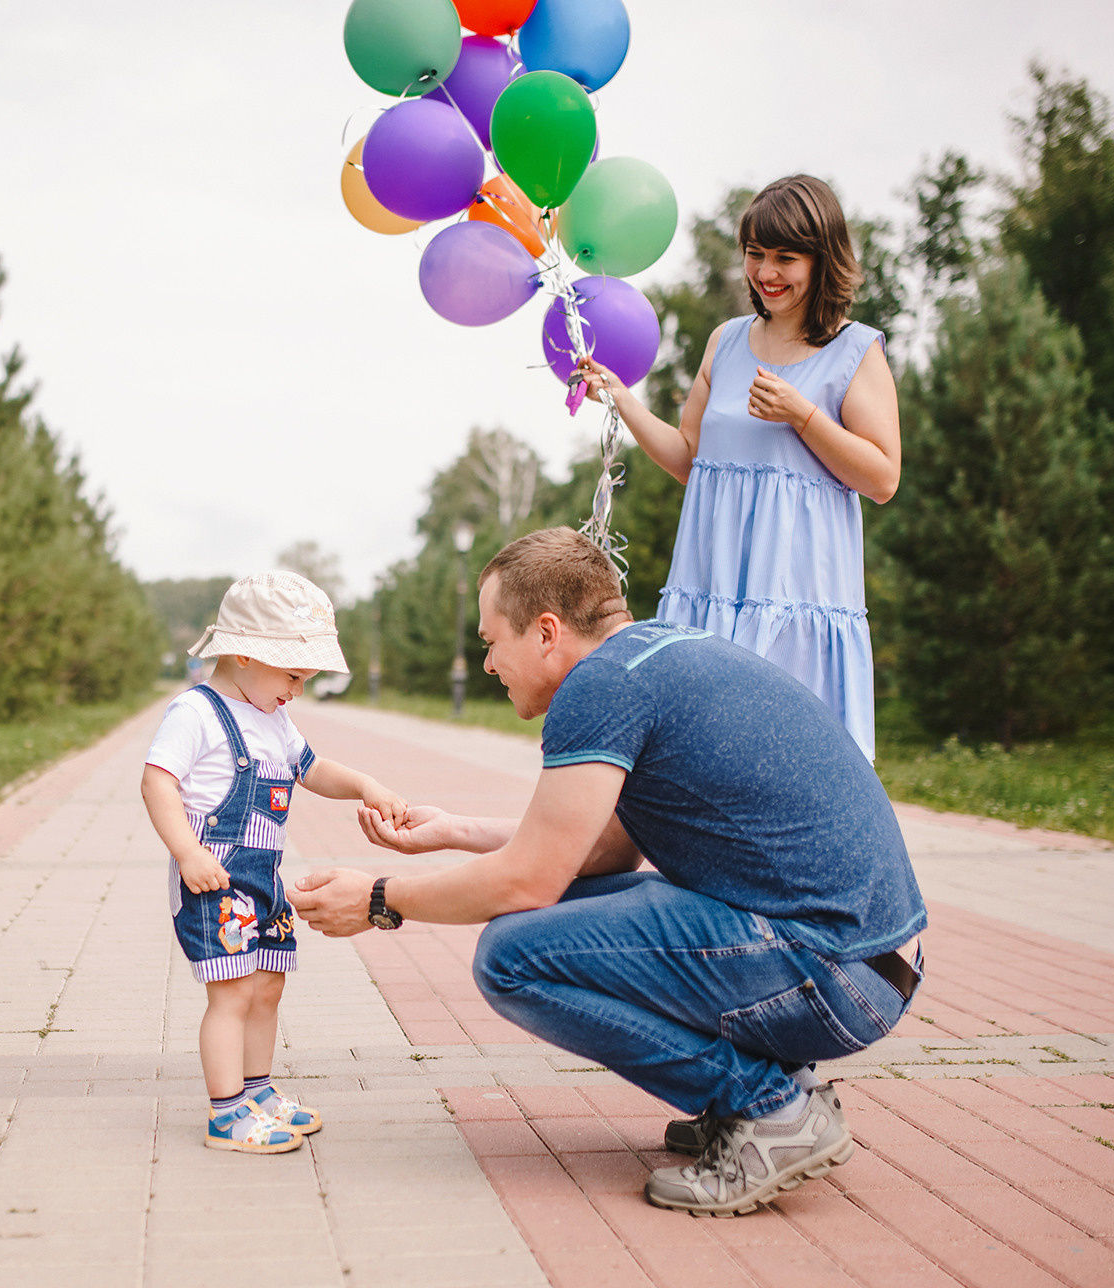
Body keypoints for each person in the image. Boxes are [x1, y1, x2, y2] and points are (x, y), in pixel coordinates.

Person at [289, 529, 925, 1215]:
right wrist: (453, 832)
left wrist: (379, 899)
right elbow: (603, 853)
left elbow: (529, 881)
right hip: (872, 964)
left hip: (830, 972)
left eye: (491, 640)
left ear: (546, 631)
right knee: (581, 902)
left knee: (511, 957)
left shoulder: (598, 688)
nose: (489, 664)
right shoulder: (655, 655)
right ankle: (757, 1096)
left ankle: (768, 1106)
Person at [576, 174, 900, 760]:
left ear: (822, 260)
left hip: (793, 594)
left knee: (788, 757)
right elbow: (688, 460)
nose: (767, 273)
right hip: (712, 583)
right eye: (755, 255)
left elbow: (883, 478)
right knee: (704, 755)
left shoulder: (855, 350)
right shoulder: (725, 342)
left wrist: (803, 416)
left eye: (786, 257)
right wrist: (622, 397)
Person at [141, 570, 409, 1153]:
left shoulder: (273, 718)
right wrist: (186, 852)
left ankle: (257, 1091)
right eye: (292, 674)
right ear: (243, 655)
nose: (298, 689)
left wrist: (365, 784)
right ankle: (225, 1112)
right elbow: (157, 781)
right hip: (214, 879)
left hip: (264, 879)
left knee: (268, 986)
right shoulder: (197, 713)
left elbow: (311, 770)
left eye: (305, 678)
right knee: (232, 994)